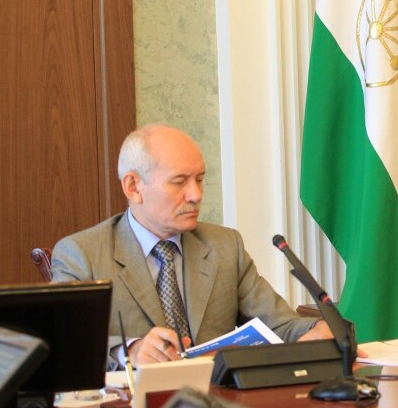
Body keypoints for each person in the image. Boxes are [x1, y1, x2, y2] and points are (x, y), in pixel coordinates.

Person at [51, 124, 333, 366]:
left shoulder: (225, 246)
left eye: (199, 180)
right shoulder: (82, 254)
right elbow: (64, 341)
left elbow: (279, 324)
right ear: (133, 187)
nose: (196, 195)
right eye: (179, 182)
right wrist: (130, 350)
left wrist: (316, 328)